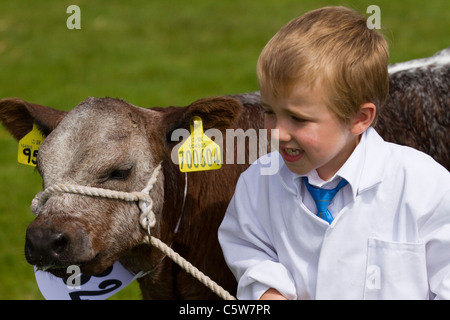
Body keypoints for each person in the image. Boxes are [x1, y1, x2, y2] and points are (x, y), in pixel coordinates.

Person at [218, 6, 450, 300]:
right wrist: (267, 289)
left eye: (299, 119)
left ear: (359, 118)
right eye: (269, 112)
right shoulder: (258, 182)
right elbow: (248, 246)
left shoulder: (425, 186)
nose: (277, 132)